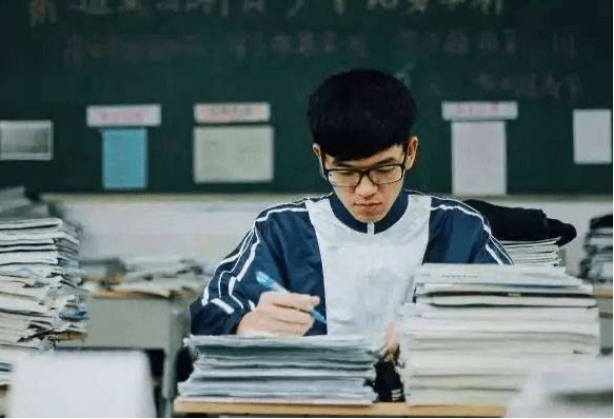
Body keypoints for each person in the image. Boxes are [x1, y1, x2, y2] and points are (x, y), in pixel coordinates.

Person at [190, 68, 512, 399]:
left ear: (410, 152)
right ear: (320, 158)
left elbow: (519, 311)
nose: (366, 190)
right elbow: (210, 308)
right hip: (313, 407)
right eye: (345, 172)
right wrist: (245, 324)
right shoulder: (281, 231)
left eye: (384, 169)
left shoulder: (459, 228)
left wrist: (438, 329)